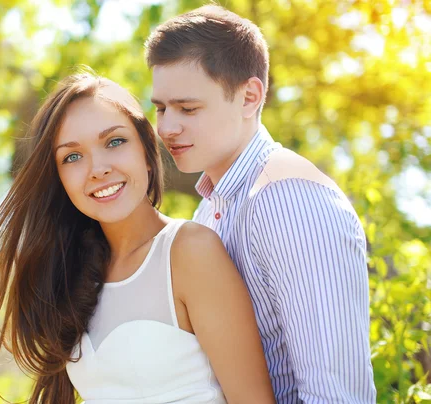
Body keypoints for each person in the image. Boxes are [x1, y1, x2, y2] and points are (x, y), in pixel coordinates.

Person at [0, 72, 275, 404]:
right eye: (72, 156)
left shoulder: (189, 251)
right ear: (60, 180)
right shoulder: (74, 275)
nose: (97, 168)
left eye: (114, 141)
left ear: (147, 153)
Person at [146, 5, 376, 403]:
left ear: (249, 97)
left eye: (188, 108)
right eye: (161, 108)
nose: (166, 127)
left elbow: (337, 395)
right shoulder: (211, 210)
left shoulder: (288, 199)